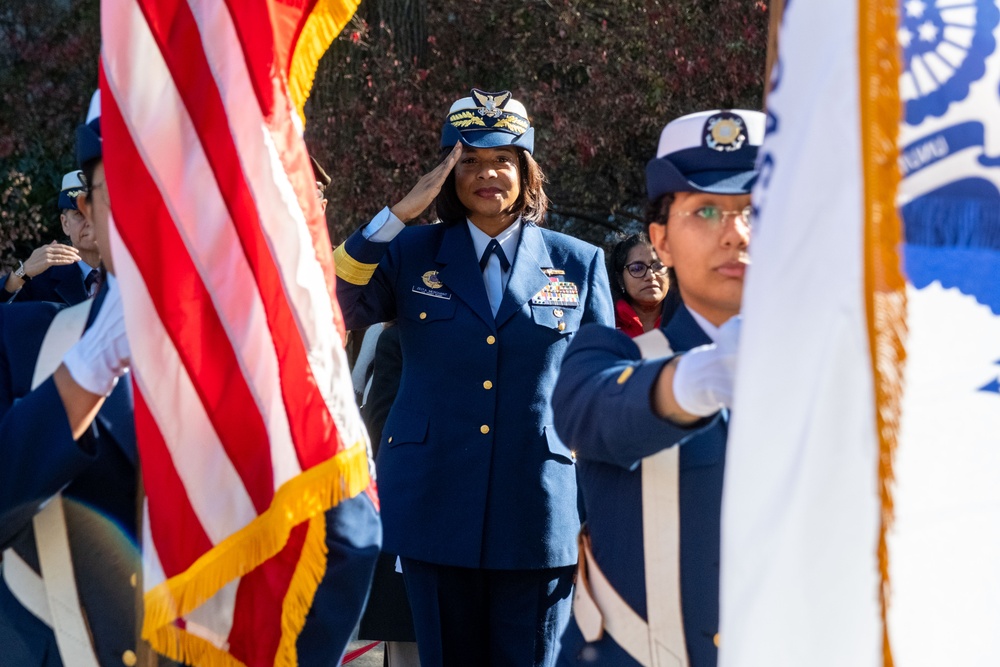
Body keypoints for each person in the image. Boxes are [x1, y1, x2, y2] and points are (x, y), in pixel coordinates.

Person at [335, 88, 614, 666]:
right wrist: (397, 215)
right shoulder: (409, 250)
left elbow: (600, 394)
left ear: (526, 171)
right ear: (446, 174)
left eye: (502, 161)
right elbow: (331, 302)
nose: (488, 174)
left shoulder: (578, 262)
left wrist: (604, 518)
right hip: (434, 504)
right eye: (470, 162)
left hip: (538, 511)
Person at [553, 109, 764, 667]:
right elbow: (591, 411)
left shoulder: (844, 368)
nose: (735, 233)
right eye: (706, 211)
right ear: (660, 241)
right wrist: (701, 377)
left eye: (757, 211)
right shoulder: (608, 354)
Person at [2, 170, 102, 305]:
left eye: (98, 211)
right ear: (65, 224)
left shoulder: (135, 272)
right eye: (79, 214)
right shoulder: (41, 278)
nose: (90, 221)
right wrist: (20, 273)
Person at [609, 232, 680, 337]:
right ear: (620, 279)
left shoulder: (692, 318)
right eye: (637, 268)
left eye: (658, 266)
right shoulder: (607, 322)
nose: (650, 276)